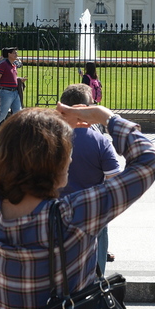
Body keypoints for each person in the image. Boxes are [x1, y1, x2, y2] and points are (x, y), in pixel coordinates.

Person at [0, 105, 155, 309]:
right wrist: (106, 117)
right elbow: (149, 160)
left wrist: (40, 126)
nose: (70, 159)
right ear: (53, 164)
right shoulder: (74, 216)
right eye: (67, 153)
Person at [58, 83, 121, 273]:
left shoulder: (50, 138)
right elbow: (114, 181)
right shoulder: (100, 141)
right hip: (93, 212)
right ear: (86, 109)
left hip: (57, 212)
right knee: (96, 272)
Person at [0, 47, 24, 128]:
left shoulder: (14, 65)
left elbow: (11, 76)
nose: (16, 54)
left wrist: (20, 79)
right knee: (2, 114)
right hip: (6, 92)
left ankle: (16, 132)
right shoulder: (3, 64)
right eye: (14, 53)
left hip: (15, 92)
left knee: (18, 113)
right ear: (9, 54)